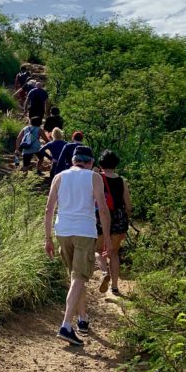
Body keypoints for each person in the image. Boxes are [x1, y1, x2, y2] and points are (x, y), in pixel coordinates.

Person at [45, 146, 111, 346]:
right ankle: (65, 325)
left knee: (76, 277)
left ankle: (82, 318)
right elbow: (104, 209)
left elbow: (49, 209)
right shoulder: (94, 177)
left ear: (73, 160)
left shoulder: (59, 177)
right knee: (80, 278)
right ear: (90, 162)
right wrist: (107, 237)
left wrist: (47, 238)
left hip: (62, 231)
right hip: (84, 231)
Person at [94, 150, 132, 296]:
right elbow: (128, 205)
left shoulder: (97, 178)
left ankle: (104, 273)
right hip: (118, 217)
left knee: (98, 250)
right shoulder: (121, 180)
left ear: (101, 163)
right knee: (114, 253)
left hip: (101, 217)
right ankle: (115, 287)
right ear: (116, 164)